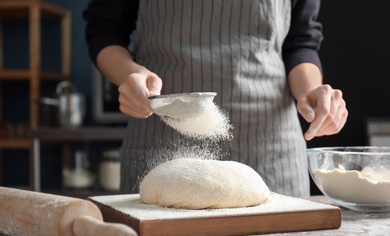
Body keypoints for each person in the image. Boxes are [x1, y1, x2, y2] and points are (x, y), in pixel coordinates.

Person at [83, 0, 348, 197]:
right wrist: (130, 74)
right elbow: (104, 30)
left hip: (269, 146)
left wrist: (310, 92)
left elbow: (300, 42)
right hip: (162, 134)